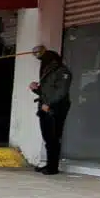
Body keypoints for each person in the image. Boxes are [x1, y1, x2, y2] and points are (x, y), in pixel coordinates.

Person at [29, 47, 73, 175]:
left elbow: (61, 92)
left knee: (53, 138)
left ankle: (53, 167)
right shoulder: (48, 72)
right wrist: (35, 89)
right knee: (48, 138)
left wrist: (48, 104)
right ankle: (49, 164)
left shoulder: (62, 72)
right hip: (45, 107)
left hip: (56, 108)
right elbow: (47, 92)